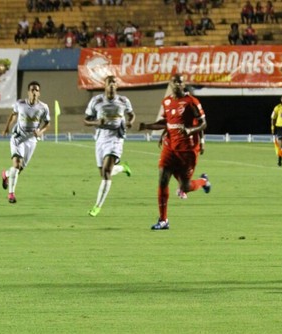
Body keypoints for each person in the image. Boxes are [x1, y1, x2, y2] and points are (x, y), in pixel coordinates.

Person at [138, 74, 211, 230]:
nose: (177, 84)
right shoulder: (167, 102)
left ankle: (203, 181)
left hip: (187, 150)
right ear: (170, 84)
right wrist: (148, 126)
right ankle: (163, 220)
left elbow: (203, 123)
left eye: (180, 81)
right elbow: (167, 122)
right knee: (163, 179)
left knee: (185, 187)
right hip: (170, 147)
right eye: (174, 82)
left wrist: (192, 131)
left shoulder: (192, 102)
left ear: (183, 84)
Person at [83, 75, 135, 217]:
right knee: (104, 173)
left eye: (114, 83)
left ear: (117, 86)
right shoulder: (96, 101)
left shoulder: (124, 101)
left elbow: (131, 115)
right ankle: (122, 167)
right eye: (109, 83)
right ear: (104, 85)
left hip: (116, 138)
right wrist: (96, 123)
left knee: (106, 172)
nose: (112, 85)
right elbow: (86, 121)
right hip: (101, 139)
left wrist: (130, 122)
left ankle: (97, 207)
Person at [0, 81, 50, 204]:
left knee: (19, 169)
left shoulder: (43, 107)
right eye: (32, 90)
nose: (34, 92)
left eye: (36, 90)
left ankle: (6, 174)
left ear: (39, 93)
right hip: (18, 138)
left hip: (31, 141)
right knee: (16, 165)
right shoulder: (20, 104)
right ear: (28, 92)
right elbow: (13, 116)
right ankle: (11, 194)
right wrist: (7, 127)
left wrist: (41, 131)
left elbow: (47, 123)